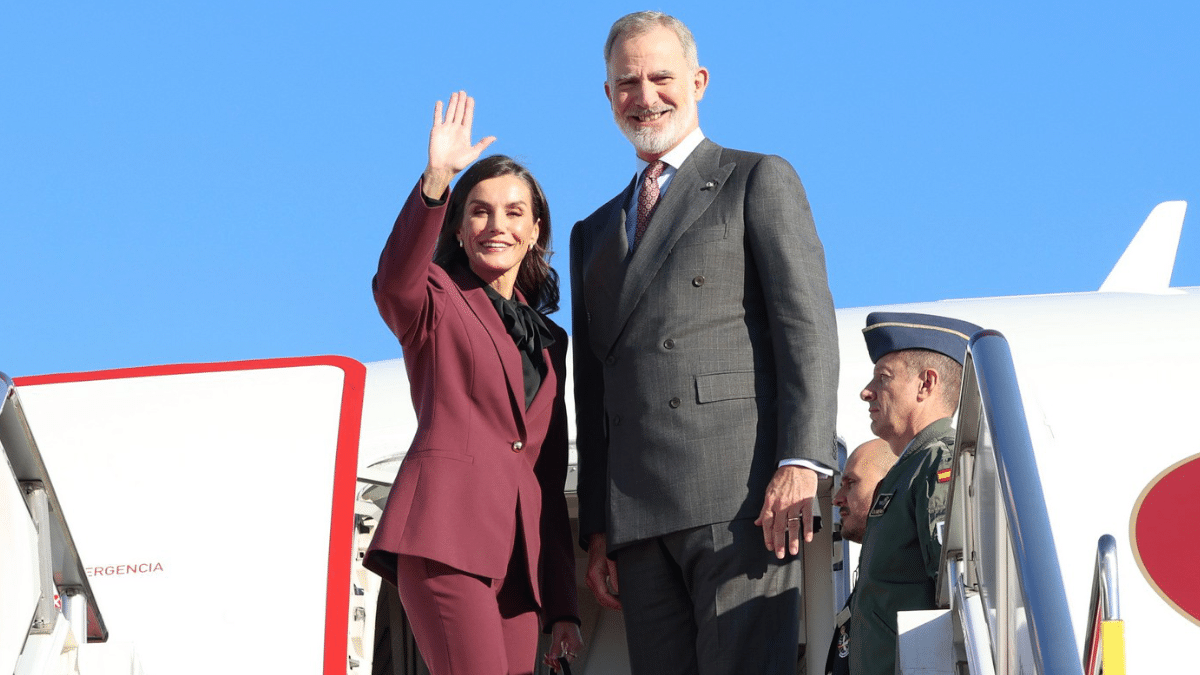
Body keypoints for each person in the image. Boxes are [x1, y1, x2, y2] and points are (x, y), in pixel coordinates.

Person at [569, 11, 839, 674]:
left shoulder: (755, 178)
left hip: (739, 493)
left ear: (698, 80)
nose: (644, 95)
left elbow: (805, 326)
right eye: (626, 82)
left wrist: (801, 459)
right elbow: (595, 386)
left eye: (660, 76)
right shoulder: (593, 232)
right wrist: (600, 526)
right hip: (638, 516)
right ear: (607, 96)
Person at [363, 91, 582, 675]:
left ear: (535, 230)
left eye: (514, 213)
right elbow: (394, 283)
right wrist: (436, 180)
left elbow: (546, 472)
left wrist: (563, 603)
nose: (497, 225)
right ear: (458, 228)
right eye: (480, 210)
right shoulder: (436, 300)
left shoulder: (549, 341)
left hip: (516, 563)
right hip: (444, 538)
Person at [849, 311, 982, 675]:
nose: (867, 391)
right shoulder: (910, 469)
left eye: (883, 378)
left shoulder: (937, 463)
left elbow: (957, 590)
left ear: (926, 384)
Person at [825, 438, 896, 675]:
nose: (837, 498)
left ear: (887, 487)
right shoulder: (872, 571)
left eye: (850, 483)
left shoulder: (901, 576)